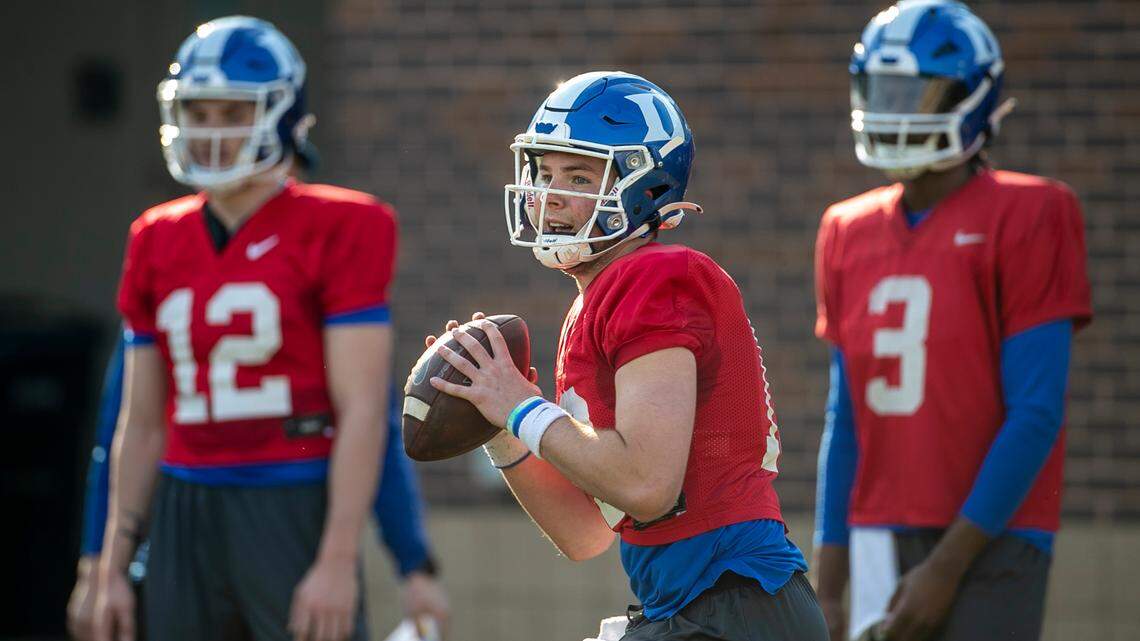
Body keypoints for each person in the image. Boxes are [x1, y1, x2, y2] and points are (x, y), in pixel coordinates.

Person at [422, 71, 828, 641]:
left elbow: (645, 484)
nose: (551, 194)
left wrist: (522, 407)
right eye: (544, 171)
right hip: (697, 604)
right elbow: (587, 534)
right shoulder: (597, 301)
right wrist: (501, 427)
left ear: (647, 187)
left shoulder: (652, 274)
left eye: (580, 175)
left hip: (730, 601)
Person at [93, 16, 402, 641]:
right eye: (198, 113)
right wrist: (110, 564)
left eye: (230, 112)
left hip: (290, 493)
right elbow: (141, 420)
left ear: (284, 117)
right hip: (183, 499)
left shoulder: (345, 225)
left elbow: (364, 410)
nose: (210, 133)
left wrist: (338, 558)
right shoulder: (154, 236)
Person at [812, 2, 1092, 640]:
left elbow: (1037, 411)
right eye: (884, 92)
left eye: (917, 93)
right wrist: (827, 587)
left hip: (993, 532)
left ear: (971, 97)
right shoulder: (845, 229)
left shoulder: (1032, 213)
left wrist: (947, 566)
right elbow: (845, 414)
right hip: (876, 527)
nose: (896, 111)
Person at [67, 339, 449, 641]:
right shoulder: (163, 250)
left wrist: (412, 565)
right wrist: (99, 567)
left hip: (292, 534)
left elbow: (369, 425)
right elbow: (130, 431)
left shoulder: (321, 266)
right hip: (187, 531)